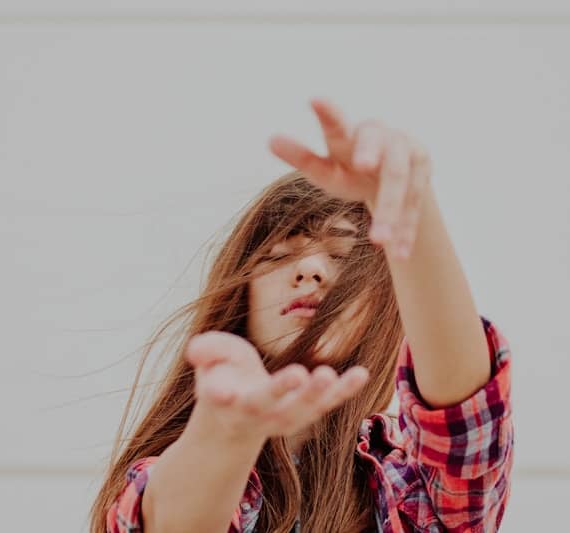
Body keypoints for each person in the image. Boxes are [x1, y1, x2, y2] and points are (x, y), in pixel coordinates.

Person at [90, 99, 514, 533]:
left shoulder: (407, 494)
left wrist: (410, 203)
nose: (309, 270)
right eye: (281, 254)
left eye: (340, 255)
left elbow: (466, 418)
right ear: (241, 300)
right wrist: (227, 431)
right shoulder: (179, 472)